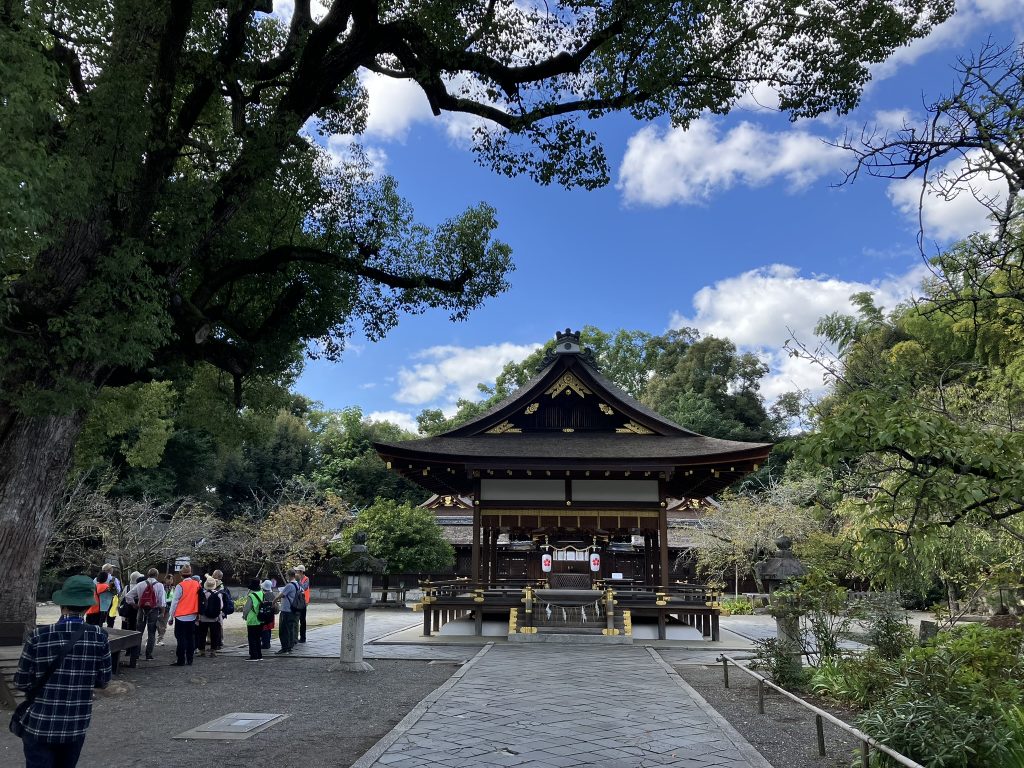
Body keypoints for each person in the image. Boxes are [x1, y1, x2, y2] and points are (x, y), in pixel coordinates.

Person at [13, 575, 112, 768]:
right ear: (87, 606)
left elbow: (21, 682)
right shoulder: (100, 637)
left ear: (61, 604)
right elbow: (103, 680)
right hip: (76, 724)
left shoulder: (38, 636)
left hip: (39, 723)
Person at [128, 568, 166, 661]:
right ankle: (148, 655)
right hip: (153, 610)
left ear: (147, 575)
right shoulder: (160, 585)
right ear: (157, 575)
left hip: (141, 610)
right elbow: (162, 602)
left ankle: (136, 654)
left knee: (139, 632)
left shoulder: (140, 584)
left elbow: (128, 596)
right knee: (151, 633)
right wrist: (162, 612)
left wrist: (134, 605)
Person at [167, 565, 201, 666]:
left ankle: (181, 660)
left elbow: (174, 602)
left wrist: (171, 616)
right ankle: (190, 659)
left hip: (181, 616)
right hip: (192, 615)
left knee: (180, 638)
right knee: (190, 638)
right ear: (191, 573)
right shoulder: (197, 584)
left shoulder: (180, 586)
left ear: (181, 574)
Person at [196, 577, 223, 658]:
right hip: (214, 618)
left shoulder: (202, 593)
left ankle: (202, 651)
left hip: (203, 618)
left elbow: (199, 605)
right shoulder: (218, 594)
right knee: (214, 635)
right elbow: (221, 606)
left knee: (202, 635)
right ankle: (213, 652)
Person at [276, 569, 301, 654]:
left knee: (283, 630)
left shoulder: (289, 585)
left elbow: (282, 594)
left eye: (286, 575)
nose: (286, 577)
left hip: (286, 610)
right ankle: (290, 646)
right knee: (290, 629)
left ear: (289, 575)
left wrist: (274, 601)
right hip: (294, 609)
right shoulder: (297, 584)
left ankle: (285, 647)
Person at [243, 578, 265, 661]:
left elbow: (246, 608)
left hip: (252, 619)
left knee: (252, 638)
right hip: (261, 618)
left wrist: (244, 616)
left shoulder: (251, 596)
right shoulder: (262, 593)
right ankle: (259, 655)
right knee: (258, 638)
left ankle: (253, 655)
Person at [98, 564, 121, 628]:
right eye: (112, 568)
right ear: (110, 570)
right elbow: (118, 591)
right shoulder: (114, 579)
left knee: (99, 621)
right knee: (110, 621)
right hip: (111, 602)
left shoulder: (96, 579)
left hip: (99, 602)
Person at [156, 573, 174, 645]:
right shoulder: (161, 587)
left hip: (168, 608)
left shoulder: (173, 588)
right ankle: (150, 639)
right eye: (168, 579)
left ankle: (160, 639)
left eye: (171, 579)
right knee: (156, 623)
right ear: (165, 579)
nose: (170, 581)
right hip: (159, 607)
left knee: (164, 624)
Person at [295, 565, 310, 643]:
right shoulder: (296, 579)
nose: (296, 572)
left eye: (297, 571)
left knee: (302, 620)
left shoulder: (306, 579)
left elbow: (304, 587)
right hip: (297, 602)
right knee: (296, 620)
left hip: (303, 602)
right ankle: (295, 637)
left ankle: (303, 637)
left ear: (301, 572)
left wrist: (298, 581)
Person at [259, 579, 275, 649]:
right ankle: (268, 642)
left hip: (265, 614)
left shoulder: (263, 595)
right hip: (271, 615)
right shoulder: (272, 594)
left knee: (264, 629)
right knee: (269, 629)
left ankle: (265, 644)